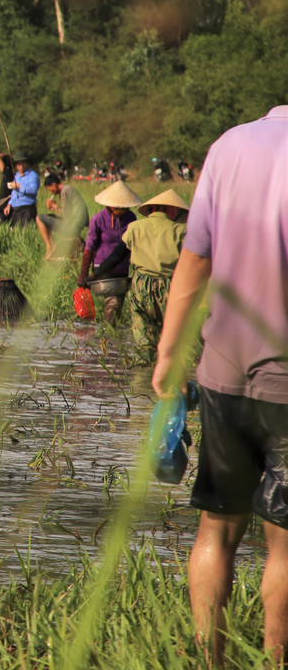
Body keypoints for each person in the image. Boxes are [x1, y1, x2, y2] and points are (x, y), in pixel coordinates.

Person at [151, 105, 288, 666]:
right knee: (285, 541)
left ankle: (211, 660)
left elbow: (193, 262)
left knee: (216, 529)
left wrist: (166, 353)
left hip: (223, 369)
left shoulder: (229, 147)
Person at [123, 189, 190, 367]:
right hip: (170, 287)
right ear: (172, 210)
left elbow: (118, 255)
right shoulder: (181, 231)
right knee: (174, 340)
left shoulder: (135, 228)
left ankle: (142, 383)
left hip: (140, 287)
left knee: (144, 339)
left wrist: (95, 275)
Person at [77, 180, 142, 323]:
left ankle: (112, 338)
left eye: (122, 206)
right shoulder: (98, 219)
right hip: (102, 270)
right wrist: (83, 274)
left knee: (118, 306)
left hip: (122, 269)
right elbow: (89, 247)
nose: (119, 209)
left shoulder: (131, 218)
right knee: (113, 304)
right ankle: (106, 336)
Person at [36, 172, 90, 259]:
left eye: (51, 189)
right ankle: (51, 245)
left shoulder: (65, 191)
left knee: (39, 218)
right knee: (48, 217)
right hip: (76, 224)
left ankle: (49, 246)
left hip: (72, 226)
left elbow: (66, 214)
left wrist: (54, 206)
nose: (51, 192)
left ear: (54, 184)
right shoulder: (68, 189)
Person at [2, 153, 39, 225]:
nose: (21, 166)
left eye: (23, 164)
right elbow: (14, 193)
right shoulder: (17, 176)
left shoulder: (32, 175)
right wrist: (9, 204)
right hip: (16, 208)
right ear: (16, 166)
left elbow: (33, 190)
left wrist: (19, 186)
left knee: (26, 230)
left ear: (28, 163)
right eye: (19, 164)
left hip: (27, 208)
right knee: (14, 230)